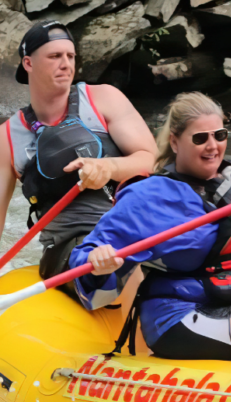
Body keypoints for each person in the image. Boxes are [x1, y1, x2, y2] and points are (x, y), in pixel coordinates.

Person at [69, 92, 231, 369]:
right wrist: (97, 262)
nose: (213, 146)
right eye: (200, 138)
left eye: (219, 135)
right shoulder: (149, 196)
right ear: (174, 141)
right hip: (181, 317)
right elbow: (86, 257)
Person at [0, 20, 157, 283]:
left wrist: (109, 168)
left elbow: (152, 160)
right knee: (88, 263)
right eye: (55, 56)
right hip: (68, 246)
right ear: (28, 63)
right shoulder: (6, 138)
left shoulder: (104, 98)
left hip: (128, 227)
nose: (66, 64)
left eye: (70, 56)